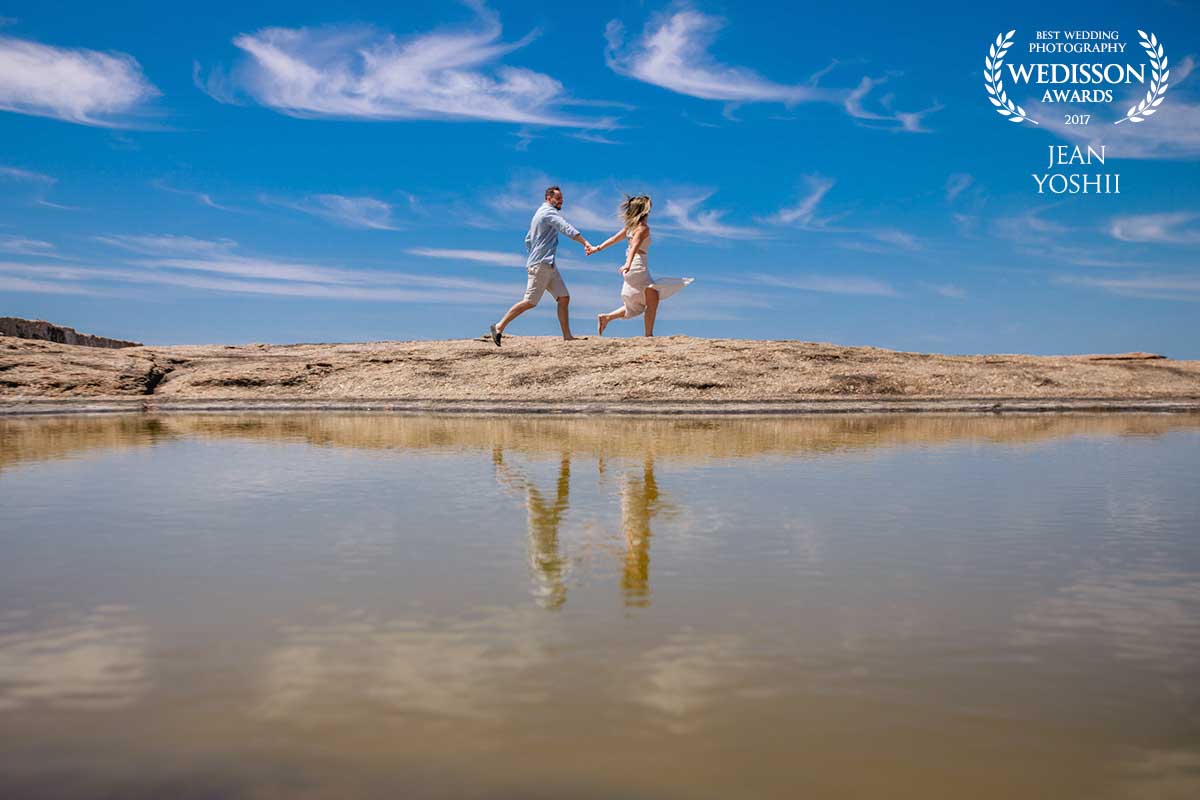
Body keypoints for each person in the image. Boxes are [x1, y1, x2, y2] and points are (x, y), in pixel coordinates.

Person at [489, 186, 592, 346]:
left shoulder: (538, 214)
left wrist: (534, 255)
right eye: (558, 198)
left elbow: (528, 239)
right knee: (530, 301)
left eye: (561, 198)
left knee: (563, 298)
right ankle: (499, 326)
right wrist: (585, 243)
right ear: (548, 198)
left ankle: (567, 336)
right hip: (541, 265)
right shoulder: (548, 212)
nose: (561, 201)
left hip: (547, 264)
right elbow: (565, 227)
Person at [587, 194, 692, 337]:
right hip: (636, 266)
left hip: (631, 267)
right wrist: (628, 264)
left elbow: (613, 239)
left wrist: (596, 248)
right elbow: (635, 246)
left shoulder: (630, 227)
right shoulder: (643, 228)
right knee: (652, 296)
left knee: (636, 305)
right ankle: (649, 335)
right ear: (644, 211)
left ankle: (607, 318)